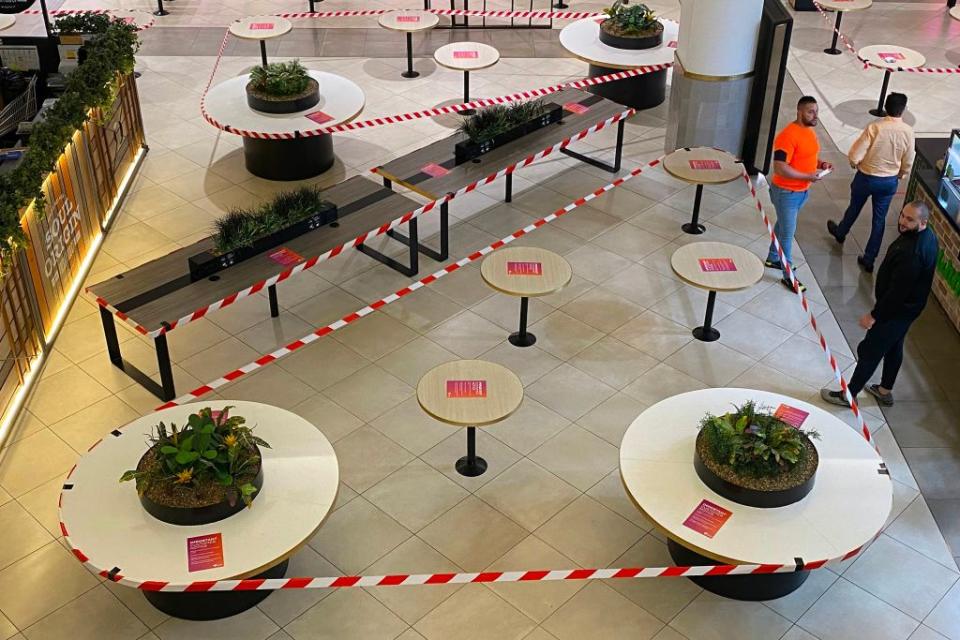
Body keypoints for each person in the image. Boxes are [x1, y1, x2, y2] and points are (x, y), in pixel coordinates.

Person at [821, 201, 937, 408]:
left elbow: (897, 293)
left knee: (870, 350)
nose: (902, 221)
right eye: (902, 215)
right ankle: (885, 390)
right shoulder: (926, 237)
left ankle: (849, 395)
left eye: (909, 219)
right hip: (909, 310)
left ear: (923, 222)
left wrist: (874, 315)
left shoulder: (914, 253)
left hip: (895, 311)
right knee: (894, 347)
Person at [827, 92, 915, 273]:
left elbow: (856, 153)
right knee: (879, 220)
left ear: (885, 108)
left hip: (867, 177)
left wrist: (855, 163)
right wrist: (902, 174)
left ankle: (841, 232)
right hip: (889, 181)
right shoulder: (908, 132)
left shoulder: (875, 127)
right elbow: (908, 159)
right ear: (903, 110)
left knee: (854, 207)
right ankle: (869, 258)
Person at [765, 96, 833, 293]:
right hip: (786, 193)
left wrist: (820, 164)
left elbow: (806, 155)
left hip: (801, 191)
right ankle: (789, 277)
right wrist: (807, 176)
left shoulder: (810, 133)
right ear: (799, 111)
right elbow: (779, 167)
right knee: (788, 234)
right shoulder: (787, 136)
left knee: (783, 225)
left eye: (816, 111)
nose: (815, 115)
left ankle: (773, 257)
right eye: (810, 111)